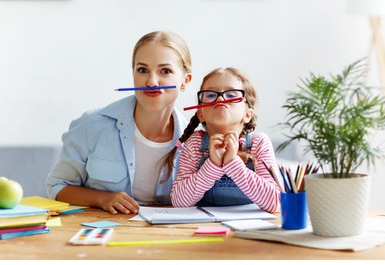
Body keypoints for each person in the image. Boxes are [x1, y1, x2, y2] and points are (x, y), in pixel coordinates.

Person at [46, 31, 192, 215]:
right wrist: (102, 199)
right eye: (143, 70)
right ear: (133, 75)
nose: (152, 81)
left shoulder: (195, 142)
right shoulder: (91, 125)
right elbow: (57, 186)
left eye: (165, 71)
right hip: (102, 232)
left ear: (185, 81)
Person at [163, 67, 280, 213]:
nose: (220, 99)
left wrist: (232, 164)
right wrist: (213, 165)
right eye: (210, 95)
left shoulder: (258, 143)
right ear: (201, 114)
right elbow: (179, 201)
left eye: (231, 95)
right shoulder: (194, 144)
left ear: (248, 114)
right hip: (202, 225)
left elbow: (276, 201)